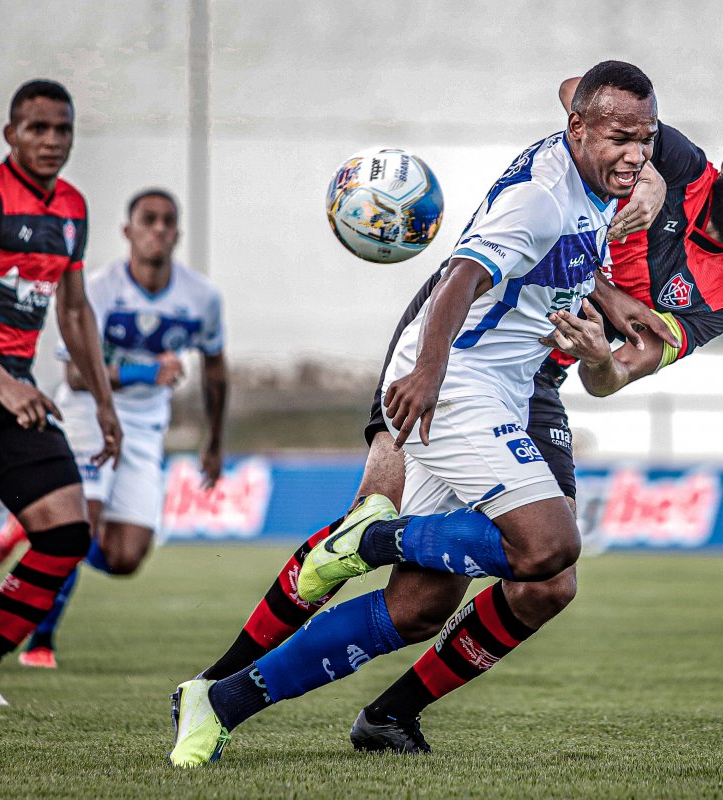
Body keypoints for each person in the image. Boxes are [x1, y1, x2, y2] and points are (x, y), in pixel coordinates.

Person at [185, 79, 723, 755]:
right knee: (389, 515)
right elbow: (580, 93)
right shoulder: (666, 155)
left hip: (537, 376)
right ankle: (213, 681)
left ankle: (382, 714)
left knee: (531, 585)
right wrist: (651, 177)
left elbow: (613, 376)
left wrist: (599, 350)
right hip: (462, 336)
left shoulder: (721, 297)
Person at [167, 59, 660, 767]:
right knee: (548, 548)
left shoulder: (591, 157)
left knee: (420, 608)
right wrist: (428, 373)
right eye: (621, 138)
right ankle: (371, 541)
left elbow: (575, 122)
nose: (636, 155)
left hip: (495, 388)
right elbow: (461, 274)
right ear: (578, 129)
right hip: (456, 382)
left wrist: (610, 298)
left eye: (645, 139)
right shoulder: (541, 200)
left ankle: (219, 700)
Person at [0, 189, 228, 669]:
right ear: (128, 230)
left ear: (177, 232)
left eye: (167, 221)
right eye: (148, 220)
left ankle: (28, 523)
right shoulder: (98, 288)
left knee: (124, 558)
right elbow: (75, 374)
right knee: (78, 526)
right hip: (88, 411)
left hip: (144, 425)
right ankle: (40, 644)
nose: (158, 229)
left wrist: (214, 442)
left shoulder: (201, 298)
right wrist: (143, 373)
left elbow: (217, 370)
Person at [0, 79, 121, 706]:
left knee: (66, 533)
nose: (51, 141)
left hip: (10, 392)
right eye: (37, 128)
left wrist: (103, 403)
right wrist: (2, 382)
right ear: (10, 133)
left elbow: (75, 313)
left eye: (62, 129)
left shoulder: (71, 207)